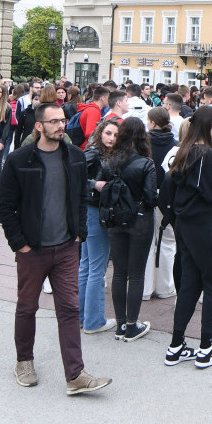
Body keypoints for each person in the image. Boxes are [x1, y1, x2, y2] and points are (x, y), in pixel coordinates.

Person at [0, 101, 111, 395]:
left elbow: (80, 197)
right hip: (32, 250)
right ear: (39, 126)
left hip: (66, 248)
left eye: (62, 120)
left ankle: (75, 375)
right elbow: (5, 206)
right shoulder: (20, 159)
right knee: (27, 307)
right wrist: (19, 244)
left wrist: (79, 234)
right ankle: (24, 361)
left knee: (69, 310)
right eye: (54, 121)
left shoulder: (75, 156)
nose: (61, 125)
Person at [159, 105, 212, 368]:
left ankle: (176, 345)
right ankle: (206, 348)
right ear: (207, 125)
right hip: (203, 224)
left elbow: (170, 189)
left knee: (189, 284)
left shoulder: (183, 151)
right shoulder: (206, 155)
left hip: (184, 225)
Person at [97, 117, 158, 343]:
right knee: (136, 273)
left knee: (119, 273)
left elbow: (99, 186)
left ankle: (121, 324)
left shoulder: (109, 160)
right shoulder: (146, 163)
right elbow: (150, 196)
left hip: (115, 218)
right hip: (140, 219)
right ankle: (132, 325)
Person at [80, 117, 122, 336]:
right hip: (95, 211)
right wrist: (94, 184)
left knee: (87, 266)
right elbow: (73, 175)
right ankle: (93, 320)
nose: (111, 138)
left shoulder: (99, 151)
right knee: (95, 267)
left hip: (91, 211)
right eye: (108, 133)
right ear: (100, 133)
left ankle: (83, 316)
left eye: (115, 135)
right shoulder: (94, 152)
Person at [143, 107, 177, 301]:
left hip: (146, 195)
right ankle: (165, 287)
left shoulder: (143, 142)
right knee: (168, 241)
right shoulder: (175, 144)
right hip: (167, 197)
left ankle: (145, 288)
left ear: (153, 123)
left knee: (147, 241)